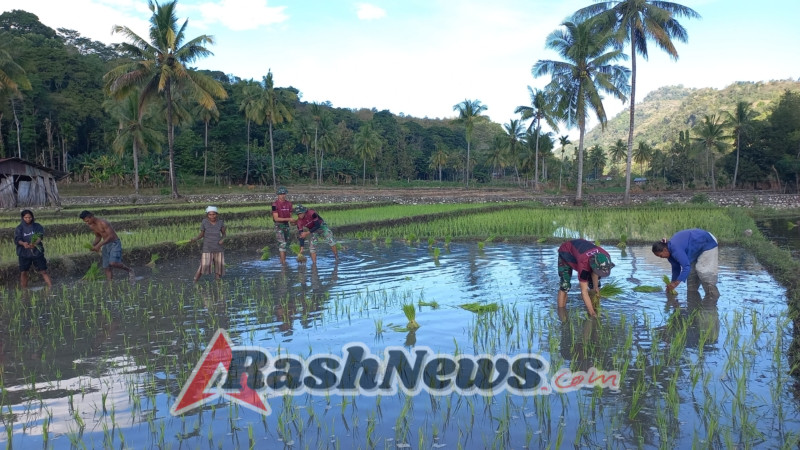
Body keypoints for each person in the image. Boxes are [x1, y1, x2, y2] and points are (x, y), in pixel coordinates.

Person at [652, 228, 719, 301]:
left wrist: (676, 283)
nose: (661, 258)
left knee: (703, 272)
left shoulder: (675, 249)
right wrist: (672, 283)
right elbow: (676, 268)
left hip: (706, 242)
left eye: (661, 255)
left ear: (665, 250)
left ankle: (712, 300)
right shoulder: (669, 255)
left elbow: (686, 267)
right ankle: (693, 307)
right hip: (694, 248)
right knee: (691, 279)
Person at [557, 239, 615, 317]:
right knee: (565, 286)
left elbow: (595, 272)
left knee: (595, 286)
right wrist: (592, 313)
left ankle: (595, 308)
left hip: (582, 252)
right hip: (566, 253)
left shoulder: (606, 256)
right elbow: (584, 291)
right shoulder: (583, 266)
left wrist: (595, 287)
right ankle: (561, 314)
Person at [80, 210, 135, 282]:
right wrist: (93, 245)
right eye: (85, 222)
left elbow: (111, 236)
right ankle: (110, 284)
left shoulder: (103, 223)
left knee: (113, 263)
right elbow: (98, 237)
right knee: (106, 267)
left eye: (87, 221)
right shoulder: (91, 226)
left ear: (91, 217)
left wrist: (99, 245)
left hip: (114, 243)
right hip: (105, 244)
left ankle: (130, 270)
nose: (87, 223)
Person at [14, 210, 53, 289]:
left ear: (32, 217)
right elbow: (18, 239)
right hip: (24, 253)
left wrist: (34, 244)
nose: (28, 219)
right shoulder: (19, 228)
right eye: (26, 217)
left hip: (37, 252)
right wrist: (23, 243)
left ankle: (50, 287)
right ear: (22, 218)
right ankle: (24, 289)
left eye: (30, 217)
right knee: (24, 272)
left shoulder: (37, 226)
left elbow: (40, 237)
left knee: (43, 271)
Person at [189, 206, 226, 282]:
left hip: (218, 247)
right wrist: (195, 239)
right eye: (210, 214)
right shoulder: (204, 222)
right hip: (207, 247)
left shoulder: (220, 222)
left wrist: (223, 239)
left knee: (218, 266)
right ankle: (195, 280)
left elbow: (224, 234)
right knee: (204, 265)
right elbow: (202, 234)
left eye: (214, 214)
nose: (212, 216)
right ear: (207, 215)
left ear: (217, 214)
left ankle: (217, 281)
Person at [272, 186, 293, 264]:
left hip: (286, 225)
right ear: (278, 195)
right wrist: (289, 219)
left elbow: (290, 217)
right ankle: (283, 263)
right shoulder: (274, 205)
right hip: (278, 225)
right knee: (282, 243)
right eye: (281, 194)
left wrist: (295, 222)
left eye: (284, 194)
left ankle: (284, 261)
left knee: (286, 244)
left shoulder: (289, 204)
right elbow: (276, 218)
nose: (283, 195)